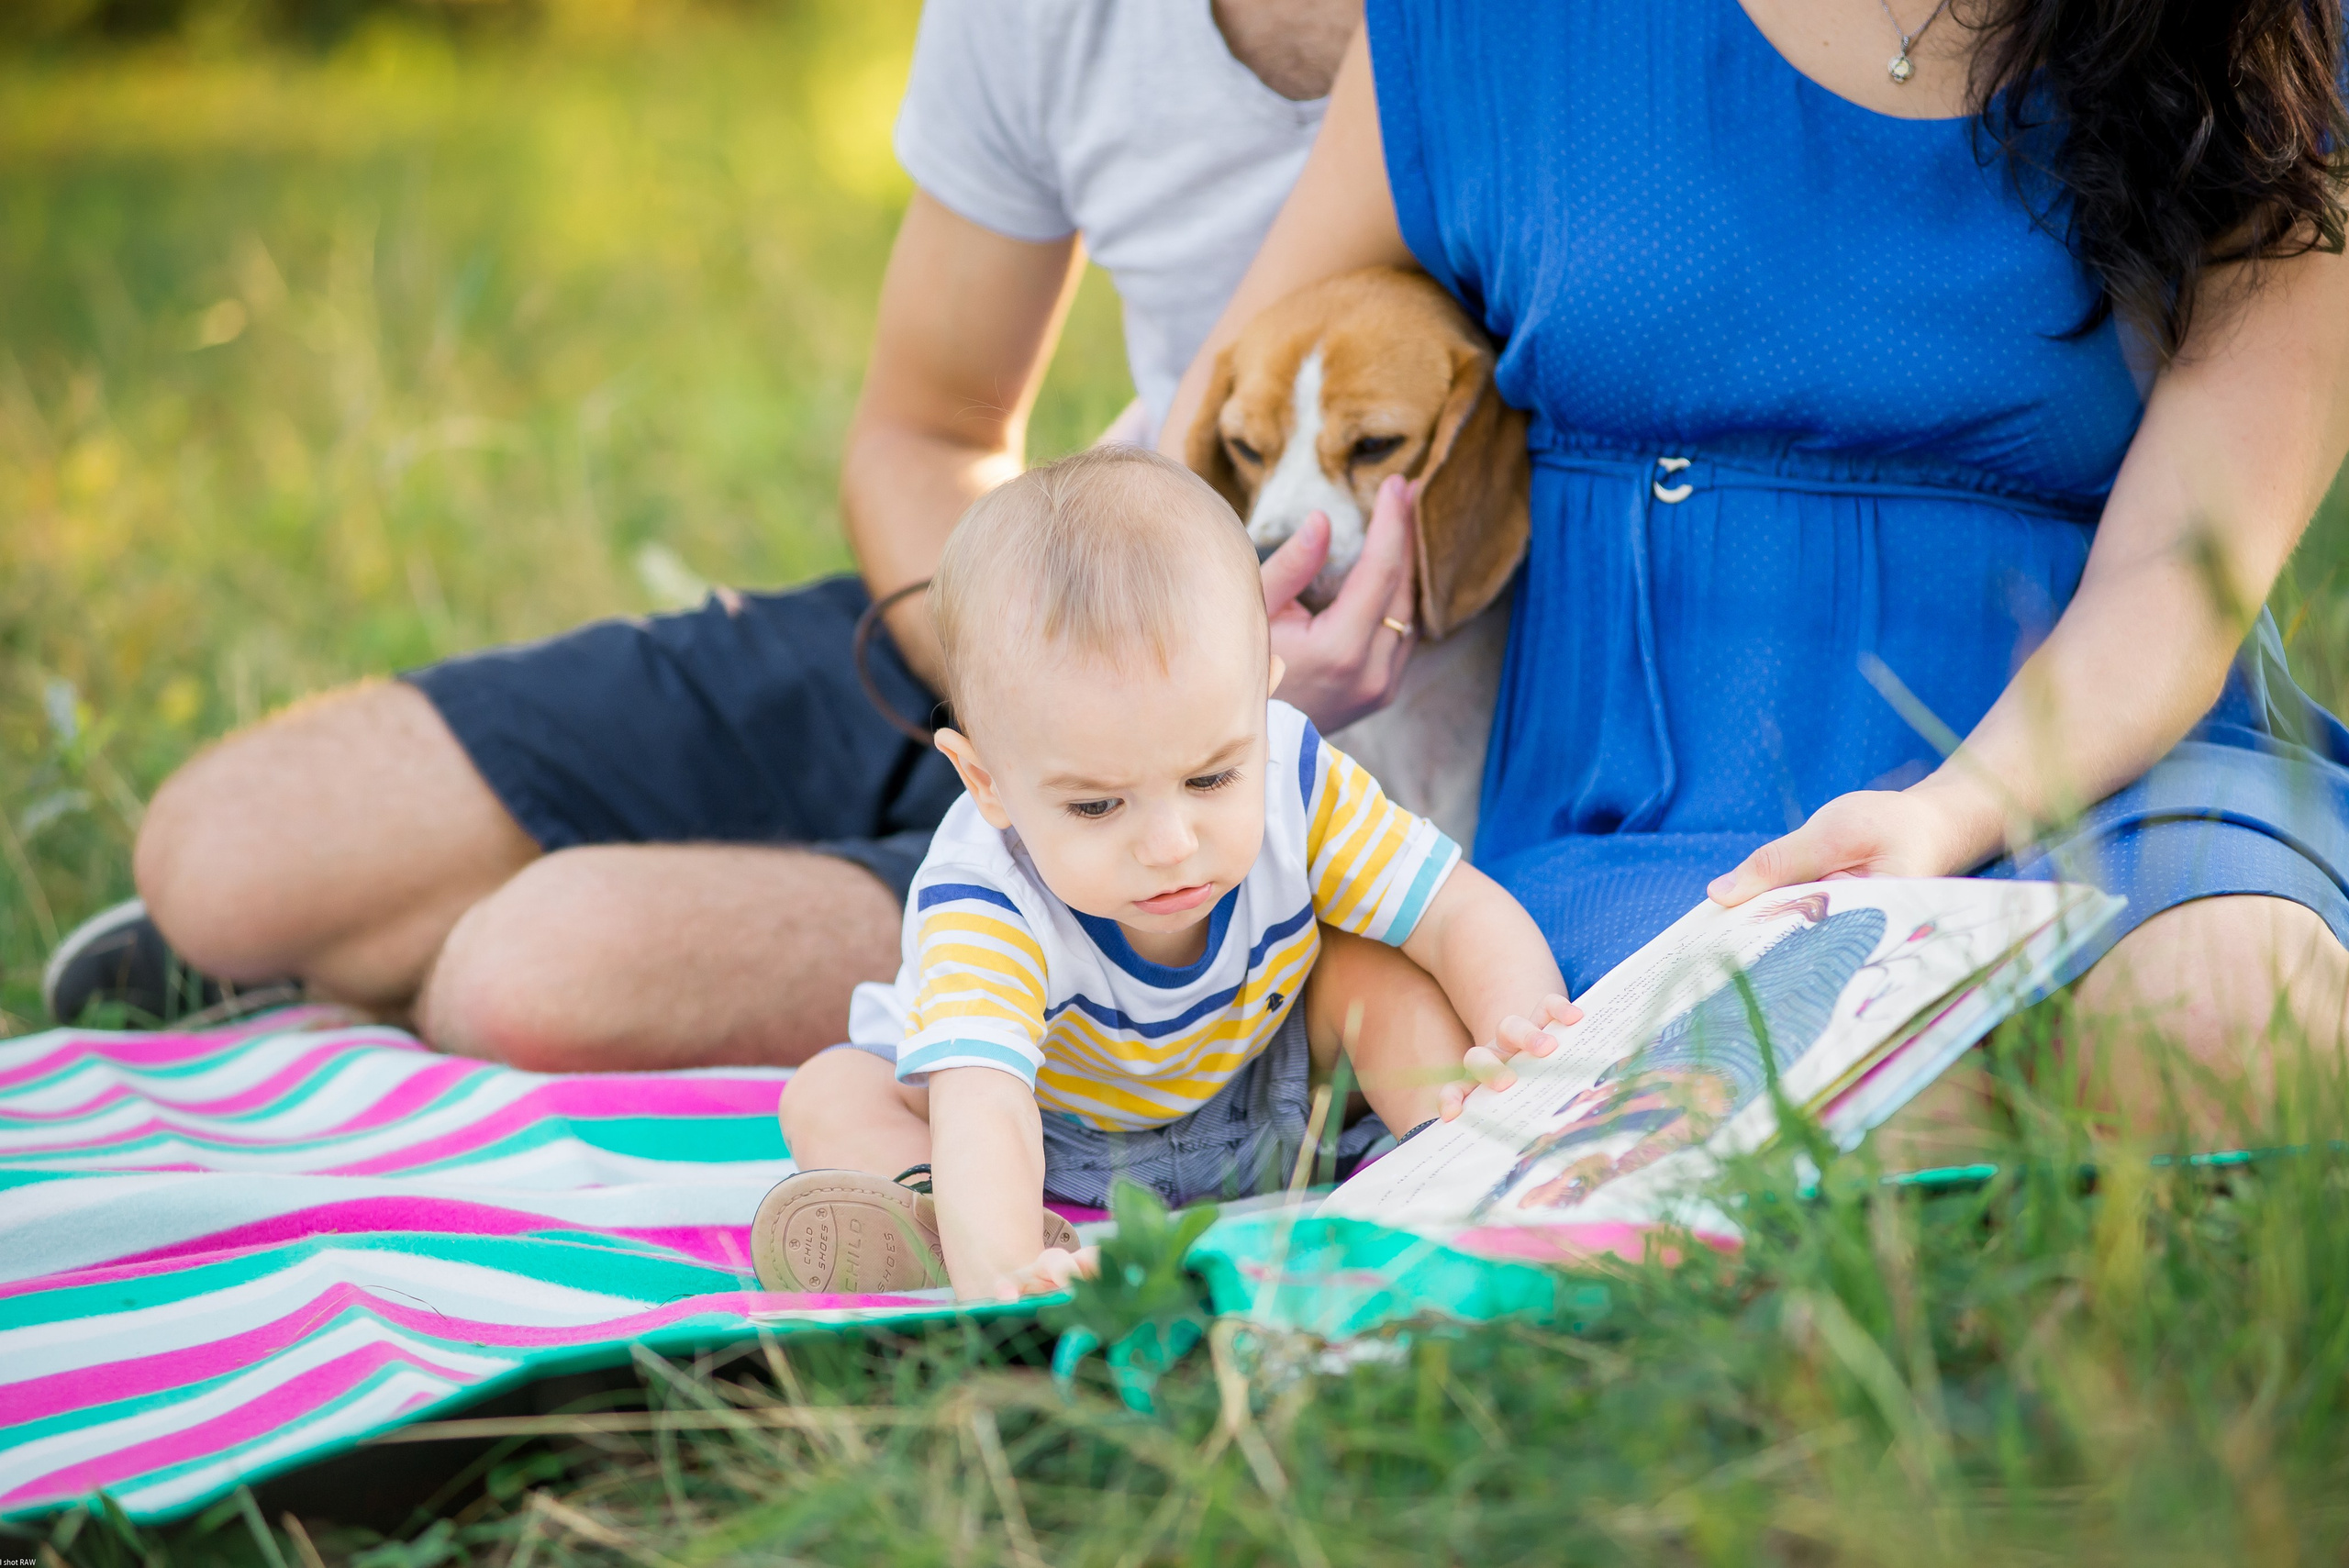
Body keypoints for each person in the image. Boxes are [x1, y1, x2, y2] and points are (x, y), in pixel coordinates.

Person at [54, 0, 1424, 1070]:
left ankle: (409, 986)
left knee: (527, 976)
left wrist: (1148, 732)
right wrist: (1012, 674)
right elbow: (929, 428)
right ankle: (357, 964)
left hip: (1247, 777)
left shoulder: (1483, 44)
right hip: (1027, 616)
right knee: (217, 852)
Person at [1162, 1, 2349, 1148]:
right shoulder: (1472, 21)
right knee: (1795, 1108)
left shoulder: (2264, 33)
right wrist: (1246, 671)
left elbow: (2177, 572)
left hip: (2101, 761)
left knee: (2237, 1011)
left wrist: (1950, 812)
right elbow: (1218, 431)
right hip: (1631, 811)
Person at [755, 447, 1572, 1299]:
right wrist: (1003, 1278)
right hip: (1055, 1137)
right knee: (832, 1090)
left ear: (1265, 695)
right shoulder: (984, 893)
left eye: (1211, 778)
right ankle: (956, 1226)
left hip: (1272, 1091)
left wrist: (1522, 1031)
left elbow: (1453, 910)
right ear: (986, 781)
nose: (1172, 842)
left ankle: (1458, 1152)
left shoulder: (1297, 775)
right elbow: (988, 1102)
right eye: (1099, 806)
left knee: (1371, 966)